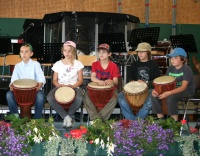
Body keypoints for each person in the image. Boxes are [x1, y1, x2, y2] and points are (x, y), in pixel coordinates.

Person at [118, 42, 160, 120]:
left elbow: (157, 81)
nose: (140, 54)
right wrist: (133, 83)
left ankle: (137, 121)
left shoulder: (154, 64)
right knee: (120, 96)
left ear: (148, 52)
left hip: (149, 89)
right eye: (139, 52)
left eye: (143, 52)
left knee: (151, 99)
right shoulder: (134, 64)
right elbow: (129, 79)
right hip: (135, 90)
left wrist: (145, 83)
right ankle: (133, 120)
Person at [47, 41, 84, 128]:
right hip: (61, 87)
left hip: (74, 86)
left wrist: (73, 86)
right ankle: (66, 117)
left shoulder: (78, 64)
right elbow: (55, 80)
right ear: (62, 51)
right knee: (49, 97)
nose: (66, 53)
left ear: (73, 51)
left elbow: (80, 80)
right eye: (65, 50)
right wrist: (59, 85)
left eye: (69, 51)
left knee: (79, 98)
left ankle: (69, 116)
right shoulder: (58, 64)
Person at [151, 47, 195, 121]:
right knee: (154, 96)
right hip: (173, 90)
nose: (172, 60)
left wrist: (168, 93)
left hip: (186, 91)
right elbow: (164, 83)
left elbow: (183, 88)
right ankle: (161, 119)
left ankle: (174, 122)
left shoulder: (187, 69)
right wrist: (156, 90)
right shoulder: (170, 69)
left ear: (183, 59)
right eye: (171, 58)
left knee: (171, 97)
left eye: (175, 58)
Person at [6, 43, 46, 119]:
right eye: (21, 52)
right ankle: (15, 119)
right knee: (9, 95)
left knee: (40, 97)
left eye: (26, 52)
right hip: (19, 92)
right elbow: (14, 80)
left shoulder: (36, 64)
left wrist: (40, 84)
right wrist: (11, 85)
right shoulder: (17, 66)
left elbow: (41, 78)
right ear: (20, 54)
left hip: (33, 91)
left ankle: (36, 121)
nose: (24, 54)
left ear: (31, 54)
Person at [83, 43, 120, 121]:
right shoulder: (95, 64)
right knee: (86, 96)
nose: (101, 54)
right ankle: (97, 119)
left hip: (110, 89)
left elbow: (116, 81)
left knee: (115, 97)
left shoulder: (113, 66)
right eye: (99, 52)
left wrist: (111, 81)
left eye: (104, 52)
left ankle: (97, 120)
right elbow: (93, 77)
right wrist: (99, 81)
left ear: (109, 54)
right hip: (97, 89)